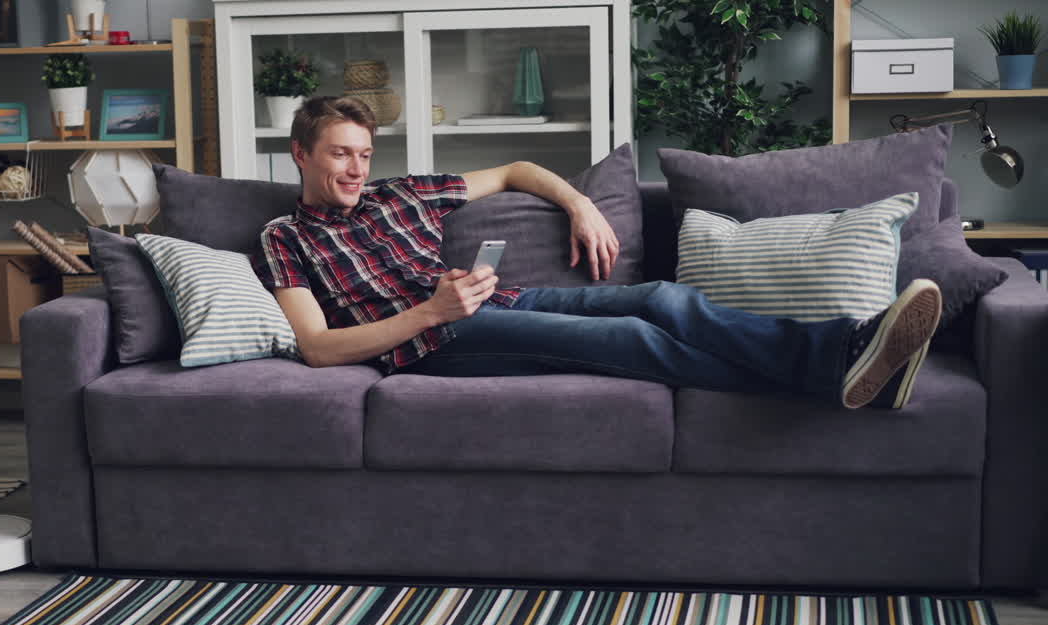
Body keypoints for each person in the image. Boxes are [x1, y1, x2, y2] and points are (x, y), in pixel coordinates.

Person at [251, 96, 942, 410]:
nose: (355, 167)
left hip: (500, 299)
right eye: (340, 153)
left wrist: (579, 203)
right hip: (437, 340)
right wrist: (429, 313)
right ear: (302, 154)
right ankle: (839, 361)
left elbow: (518, 168)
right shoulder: (286, 237)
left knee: (664, 298)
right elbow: (317, 347)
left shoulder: (404, 193)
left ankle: (847, 357)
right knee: (639, 340)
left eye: (364, 153)